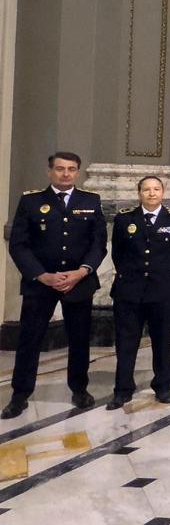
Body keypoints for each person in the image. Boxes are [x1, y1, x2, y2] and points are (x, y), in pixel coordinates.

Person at [2, 152, 107, 419]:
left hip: (78, 283)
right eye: (60, 169)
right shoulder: (31, 201)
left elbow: (98, 244)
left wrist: (81, 272)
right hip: (40, 285)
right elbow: (19, 244)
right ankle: (20, 395)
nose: (66, 174)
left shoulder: (90, 201)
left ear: (78, 172)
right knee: (29, 340)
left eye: (71, 169)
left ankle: (79, 389)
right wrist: (41, 275)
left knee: (79, 339)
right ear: (50, 171)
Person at [107, 176, 170, 409]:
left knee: (162, 341)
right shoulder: (125, 219)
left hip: (162, 291)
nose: (152, 193)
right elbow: (118, 255)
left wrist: (162, 277)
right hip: (129, 291)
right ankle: (123, 389)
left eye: (156, 189)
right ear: (139, 193)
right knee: (126, 342)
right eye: (146, 189)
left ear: (163, 192)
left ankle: (163, 386)